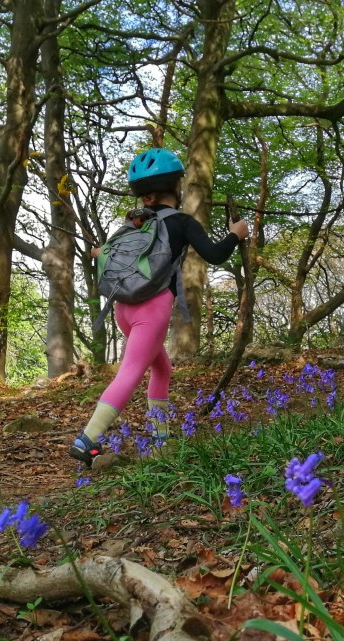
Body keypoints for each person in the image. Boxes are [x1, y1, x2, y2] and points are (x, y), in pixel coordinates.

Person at [69, 148, 250, 467]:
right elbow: (215, 254)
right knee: (129, 373)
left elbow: (104, 255)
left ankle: (160, 439)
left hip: (122, 309)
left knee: (162, 368)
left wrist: (100, 252)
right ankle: (86, 440)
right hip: (151, 311)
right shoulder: (181, 222)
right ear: (174, 187)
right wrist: (236, 235)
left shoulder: (135, 223)